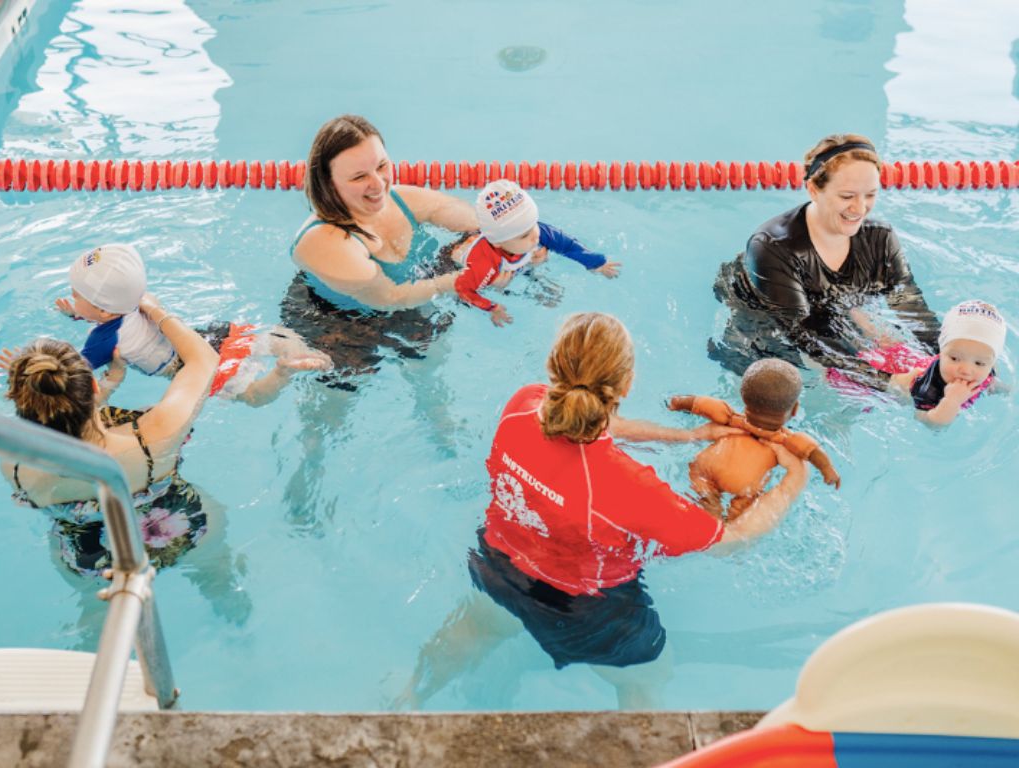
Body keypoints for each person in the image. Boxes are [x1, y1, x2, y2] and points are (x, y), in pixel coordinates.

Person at [398, 313, 808, 710]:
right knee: (650, 679)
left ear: (554, 368)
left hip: (497, 564)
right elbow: (731, 541)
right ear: (627, 384)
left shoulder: (524, 404)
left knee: (476, 628)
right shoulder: (628, 486)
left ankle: (408, 695)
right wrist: (793, 479)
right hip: (580, 608)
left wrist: (687, 436)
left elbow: (592, 423)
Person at [0, 298, 249, 622]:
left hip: (92, 561)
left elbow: (62, 431)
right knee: (217, 575)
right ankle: (233, 612)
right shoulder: (152, 437)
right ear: (90, 384)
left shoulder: (15, 465)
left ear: (20, 404)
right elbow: (204, 359)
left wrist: (94, 390)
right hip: (183, 527)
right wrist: (151, 307)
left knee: (95, 617)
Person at [708, 133, 940, 385]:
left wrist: (953, 359)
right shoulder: (772, 247)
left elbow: (910, 306)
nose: (860, 208)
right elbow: (801, 332)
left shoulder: (880, 238)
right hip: (763, 319)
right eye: (847, 196)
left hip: (831, 310)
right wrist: (886, 380)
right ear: (814, 189)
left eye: (870, 195)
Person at [283, 114, 487, 386]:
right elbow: (389, 297)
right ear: (329, 184)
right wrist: (462, 280)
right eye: (359, 177)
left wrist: (514, 240)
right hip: (334, 323)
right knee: (334, 407)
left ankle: (437, 418)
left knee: (431, 366)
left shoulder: (403, 200)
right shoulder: (325, 241)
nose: (378, 184)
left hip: (403, 300)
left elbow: (481, 222)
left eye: (381, 166)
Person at [56, 243, 331, 407]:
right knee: (267, 339)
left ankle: (283, 372)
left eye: (77, 295)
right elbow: (116, 315)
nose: (72, 298)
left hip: (192, 366)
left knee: (252, 396)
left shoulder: (101, 343)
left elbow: (70, 375)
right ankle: (298, 348)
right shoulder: (139, 297)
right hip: (208, 335)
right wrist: (80, 312)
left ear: (102, 310)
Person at [668, 358, 840, 522]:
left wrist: (677, 403)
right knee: (742, 509)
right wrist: (827, 469)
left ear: (743, 396)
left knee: (705, 490)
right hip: (744, 484)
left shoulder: (729, 416)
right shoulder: (785, 441)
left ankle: (710, 507)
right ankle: (726, 524)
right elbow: (811, 450)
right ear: (794, 410)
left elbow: (699, 403)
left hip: (707, 465)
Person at [456, 180, 621, 326]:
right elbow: (463, 289)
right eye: (525, 234)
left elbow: (567, 245)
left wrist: (595, 263)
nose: (536, 235)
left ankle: (532, 284)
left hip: (511, 260)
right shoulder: (484, 263)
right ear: (498, 242)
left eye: (533, 225)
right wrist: (492, 305)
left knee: (553, 294)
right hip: (463, 267)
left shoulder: (535, 232)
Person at [885, 300, 1006, 426]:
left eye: (979, 363)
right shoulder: (928, 387)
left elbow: (990, 383)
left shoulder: (988, 370)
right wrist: (952, 401)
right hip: (892, 370)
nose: (966, 370)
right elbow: (928, 423)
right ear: (941, 351)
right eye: (954, 358)